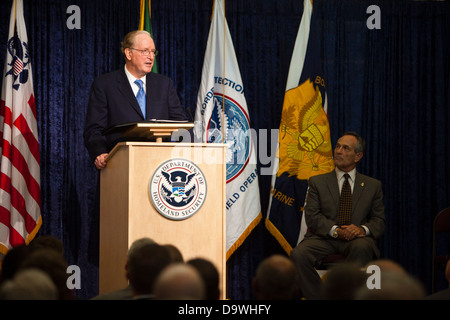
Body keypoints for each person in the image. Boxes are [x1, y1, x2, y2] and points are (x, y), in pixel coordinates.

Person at [290, 131, 386, 300]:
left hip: (357, 239)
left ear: (358, 156)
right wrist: (336, 231)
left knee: (363, 247)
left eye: (345, 148)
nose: (339, 151)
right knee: (298, 254)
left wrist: (362, 230)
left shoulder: (373, 185)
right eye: (337, 146)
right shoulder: (317, 182)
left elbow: (379, 221)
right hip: (324, 238)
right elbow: (312, 216)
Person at [84, 30, 188, 170]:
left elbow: (180, 124)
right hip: (119, 166)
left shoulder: (164, 84)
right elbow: (94, 129)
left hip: (161, 166)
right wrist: (100, 152)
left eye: (153, 52)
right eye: (145, 51)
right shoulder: (105, 85)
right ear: (128, 53)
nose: (151, 57)